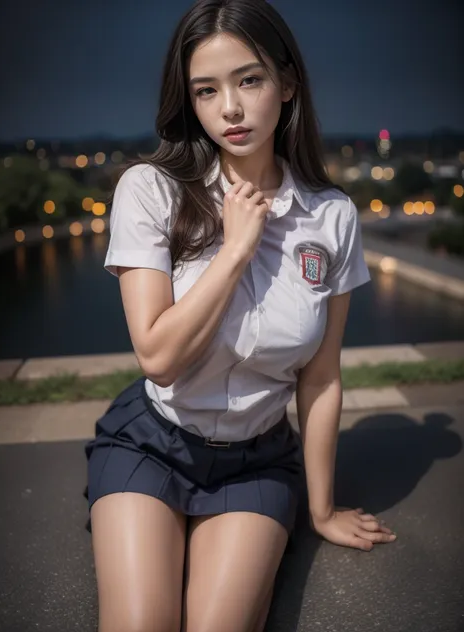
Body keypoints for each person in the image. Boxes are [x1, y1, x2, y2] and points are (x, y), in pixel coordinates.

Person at [84, 1, 397, 630]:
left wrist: (323, 508)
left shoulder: (331, 217)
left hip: (255, 460)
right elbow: (159, 358)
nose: (229, 107)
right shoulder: (150, 189)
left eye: (248, 80)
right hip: (153, 443)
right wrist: (235, 250)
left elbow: (322, 377)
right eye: (207, 90)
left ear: (286, 84)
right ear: (190, 102)